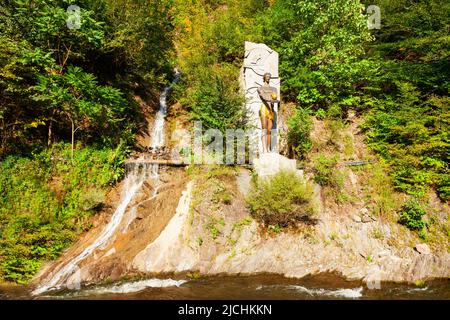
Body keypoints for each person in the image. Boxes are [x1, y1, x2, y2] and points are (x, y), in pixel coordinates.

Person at [257, 72, 279, 152]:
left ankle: (269, 148)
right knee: (264, 129)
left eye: (269, 77)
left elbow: (275, 99)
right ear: (264, 78)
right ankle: (264, 149)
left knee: (270, 130)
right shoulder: (260, 88)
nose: (268, 78)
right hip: (264, 108)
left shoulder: (274, 89)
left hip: (271, 110)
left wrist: (275, 100)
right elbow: (263, 97)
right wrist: (271, 98)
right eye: (267, 76)